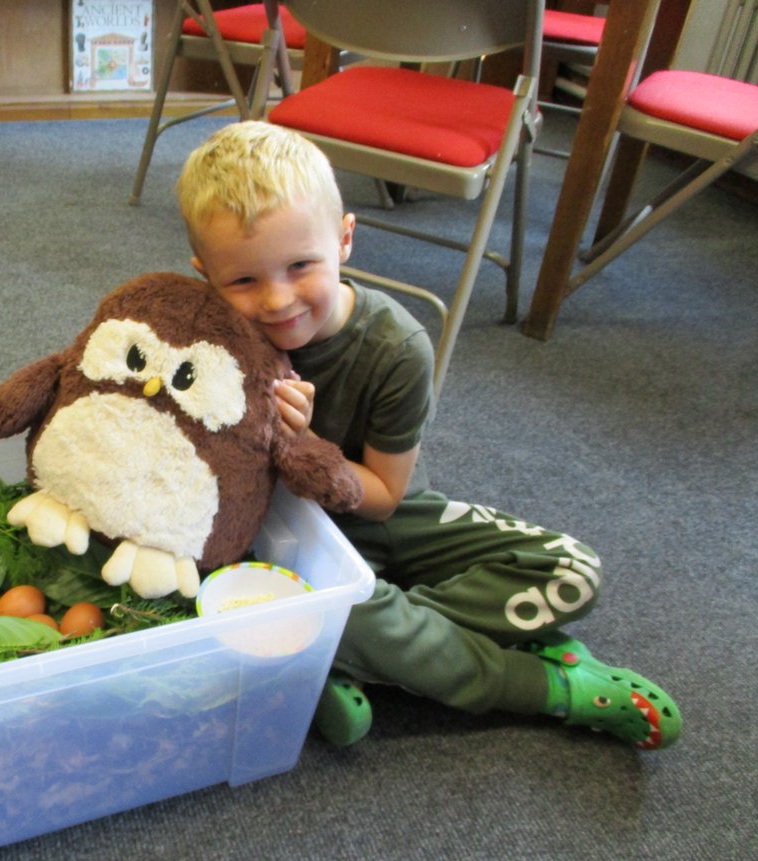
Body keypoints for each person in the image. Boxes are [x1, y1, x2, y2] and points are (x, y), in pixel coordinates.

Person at [175, 120, 681, 750]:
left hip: (383, 512)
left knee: (573, 570)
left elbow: (386, 495)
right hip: (279, 535)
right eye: (244, 281)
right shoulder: (207, 337)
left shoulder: (397, 346)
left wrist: (304, 449)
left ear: (345, 239)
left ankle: (353, 656)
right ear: (205, 275)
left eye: (301, 265)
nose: (278, 300)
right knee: (308, 605)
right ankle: (533, 683)